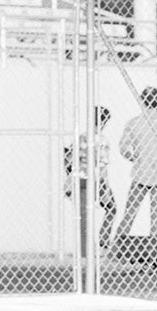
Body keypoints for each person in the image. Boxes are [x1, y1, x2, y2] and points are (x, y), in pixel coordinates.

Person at [115, 86, 157, 239]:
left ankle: (118, 246)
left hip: (140, 173)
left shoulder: (134, 123)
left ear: (143, 101)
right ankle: (155, 250)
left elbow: (123, 148)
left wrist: (134, 157)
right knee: (156, 214)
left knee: (130, 212)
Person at [64, 105, 118, 250]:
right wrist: (105, 188)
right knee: (111, 208)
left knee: (83, 217)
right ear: (104, 122)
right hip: (95, 180)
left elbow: (69, 159)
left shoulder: (81, 137)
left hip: (79, 179)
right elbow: (102, 167)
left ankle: (84, 251)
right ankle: (103, 239)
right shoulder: (102, 140)